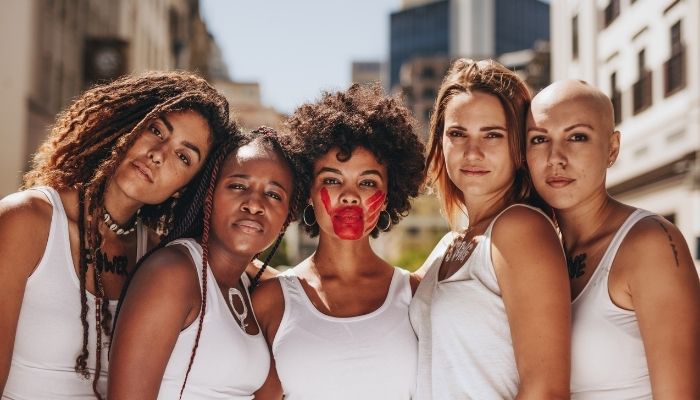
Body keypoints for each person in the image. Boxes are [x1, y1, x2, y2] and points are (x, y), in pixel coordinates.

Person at [0, 71, 231, 399]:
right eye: (155, 130)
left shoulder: (154, 257)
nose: (158, 154)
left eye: (183, 156)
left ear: (186, 188)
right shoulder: (26, 220)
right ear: (126, 122)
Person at [526, 79, 700, 399]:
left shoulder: (650, 245)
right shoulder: (537, 254)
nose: (556, 158)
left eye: (577, 137)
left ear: (612, 148)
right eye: (539, 139)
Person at [251, 84, 426, 400]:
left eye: (367, 182)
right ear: (307, 191)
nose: (349, 195)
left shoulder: (415, 295)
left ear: (388, 196)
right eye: (332, 179)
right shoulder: (271, 301)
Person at [409, 59, 571, 399]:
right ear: (440, 142)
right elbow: (376, 288)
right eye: (457, 133)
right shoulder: (451, 244)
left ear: (520, 148)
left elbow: (546, 390)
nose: (473, 151)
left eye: (493, 134)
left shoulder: (520, 229)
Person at [108, 126, 304, 399]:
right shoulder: (172, 273)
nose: (255, 204)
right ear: (209, 195)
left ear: (287, 216)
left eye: (273, 194)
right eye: (238, 186)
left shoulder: (251, 287)